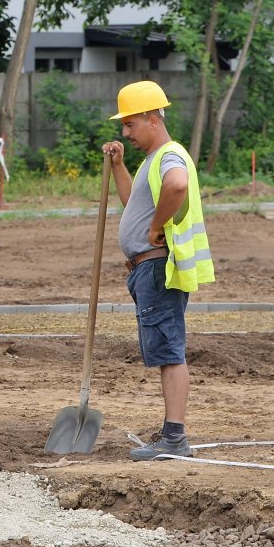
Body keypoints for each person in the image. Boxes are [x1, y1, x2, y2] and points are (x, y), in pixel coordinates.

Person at [101, 80, 214, 461]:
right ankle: (172, 434)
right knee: (166, 349)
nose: (125, 132)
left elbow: (177, 184)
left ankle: (174, 438)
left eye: (131, 125)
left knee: (169, 351)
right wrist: (119, 167)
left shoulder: (169, 157)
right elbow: (134, 203)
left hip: (157, 269)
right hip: (147, 271)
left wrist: (154, 229)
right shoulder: (154, 159)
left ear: (152, 118)